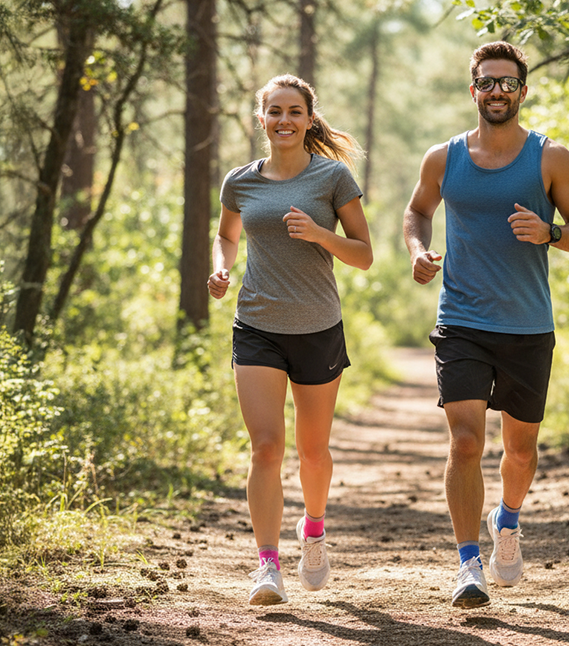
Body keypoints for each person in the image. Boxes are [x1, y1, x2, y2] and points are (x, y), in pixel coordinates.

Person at [403, 41, 569, 609]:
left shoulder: (549, 158)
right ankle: (468, 565)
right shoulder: (443, 158)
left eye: (507, 83)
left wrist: (551, 232)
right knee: (466, 442)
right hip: (461, 320)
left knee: (521, 451)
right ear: (473, 90)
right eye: (486, 82)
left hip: (527, 325)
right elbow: (417, 211)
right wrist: (418, 249)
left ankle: (507, 520)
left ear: (522, 92)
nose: (496, 91)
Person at [207, 74, 372, 606]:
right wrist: (221, 268)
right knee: (266, 447)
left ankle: (314, 530)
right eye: (274, 111)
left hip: (318, 327)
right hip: (256, 324)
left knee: (313, 451)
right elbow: (226, 234)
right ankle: (267, 564)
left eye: (294, 111)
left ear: (308, 118)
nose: (284, 120)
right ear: (262, 119)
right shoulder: (240, 181)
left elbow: (364, 253)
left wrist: (321, 234)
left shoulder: (333, 177)